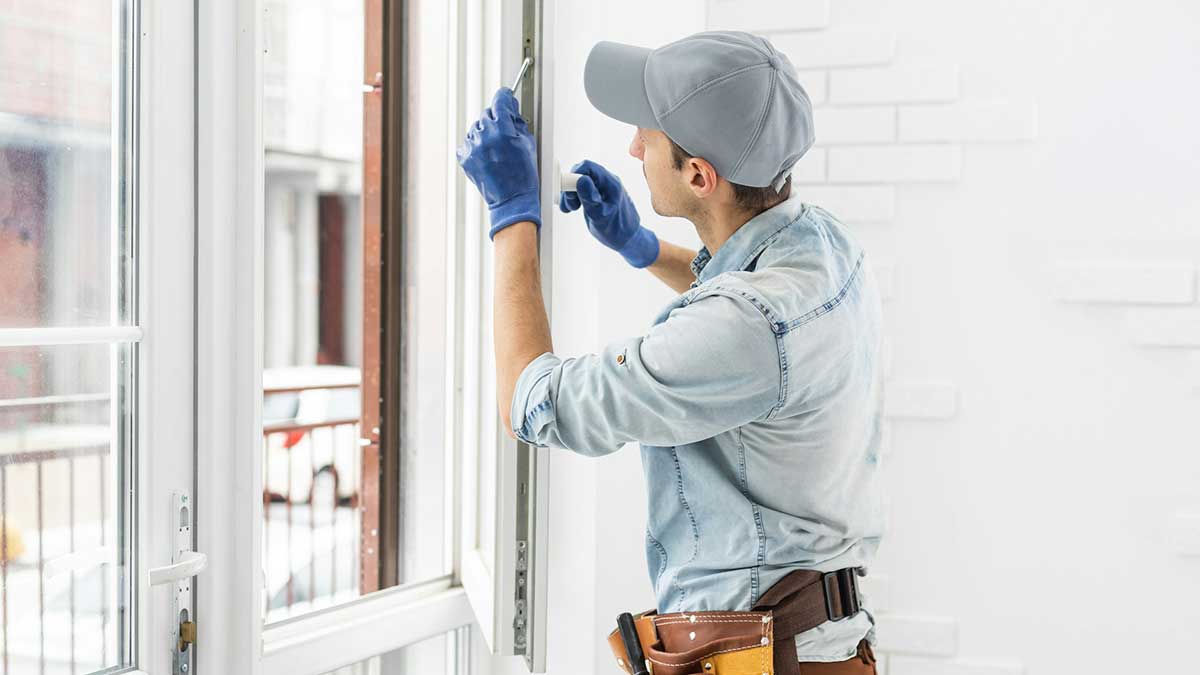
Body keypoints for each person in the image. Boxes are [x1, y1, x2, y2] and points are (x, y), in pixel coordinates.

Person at [457, 30, 884, 675]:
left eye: (648, 136)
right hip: (817, 643)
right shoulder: (822, 244)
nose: (633, 146)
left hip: (765, 659)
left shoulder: (743, 330)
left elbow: (532, 401)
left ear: (698, 175)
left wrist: (511, 215)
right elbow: (750, 316)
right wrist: (640, 245)